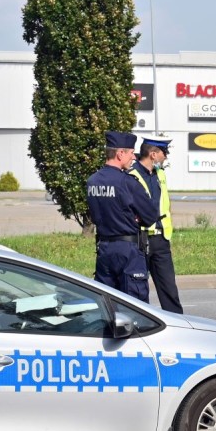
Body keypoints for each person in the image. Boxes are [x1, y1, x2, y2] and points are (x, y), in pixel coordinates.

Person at [87, 131, 160, 302]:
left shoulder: (93, 181)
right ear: (120, 154)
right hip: (128, 251)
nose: (133, 157)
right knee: (136, 308)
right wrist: (135, 217)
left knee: (107, 305)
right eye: (130, 152)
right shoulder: (127, 182)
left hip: (104, 249)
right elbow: (150, 215)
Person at [128, 134, 184, 313]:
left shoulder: (160, 174)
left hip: (161, 240)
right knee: (137, 290)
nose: (166, 156)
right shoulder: (131, 175)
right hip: (139, 240)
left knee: (169, 289)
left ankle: (179, 324)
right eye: (164, 152)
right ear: (153, 154)